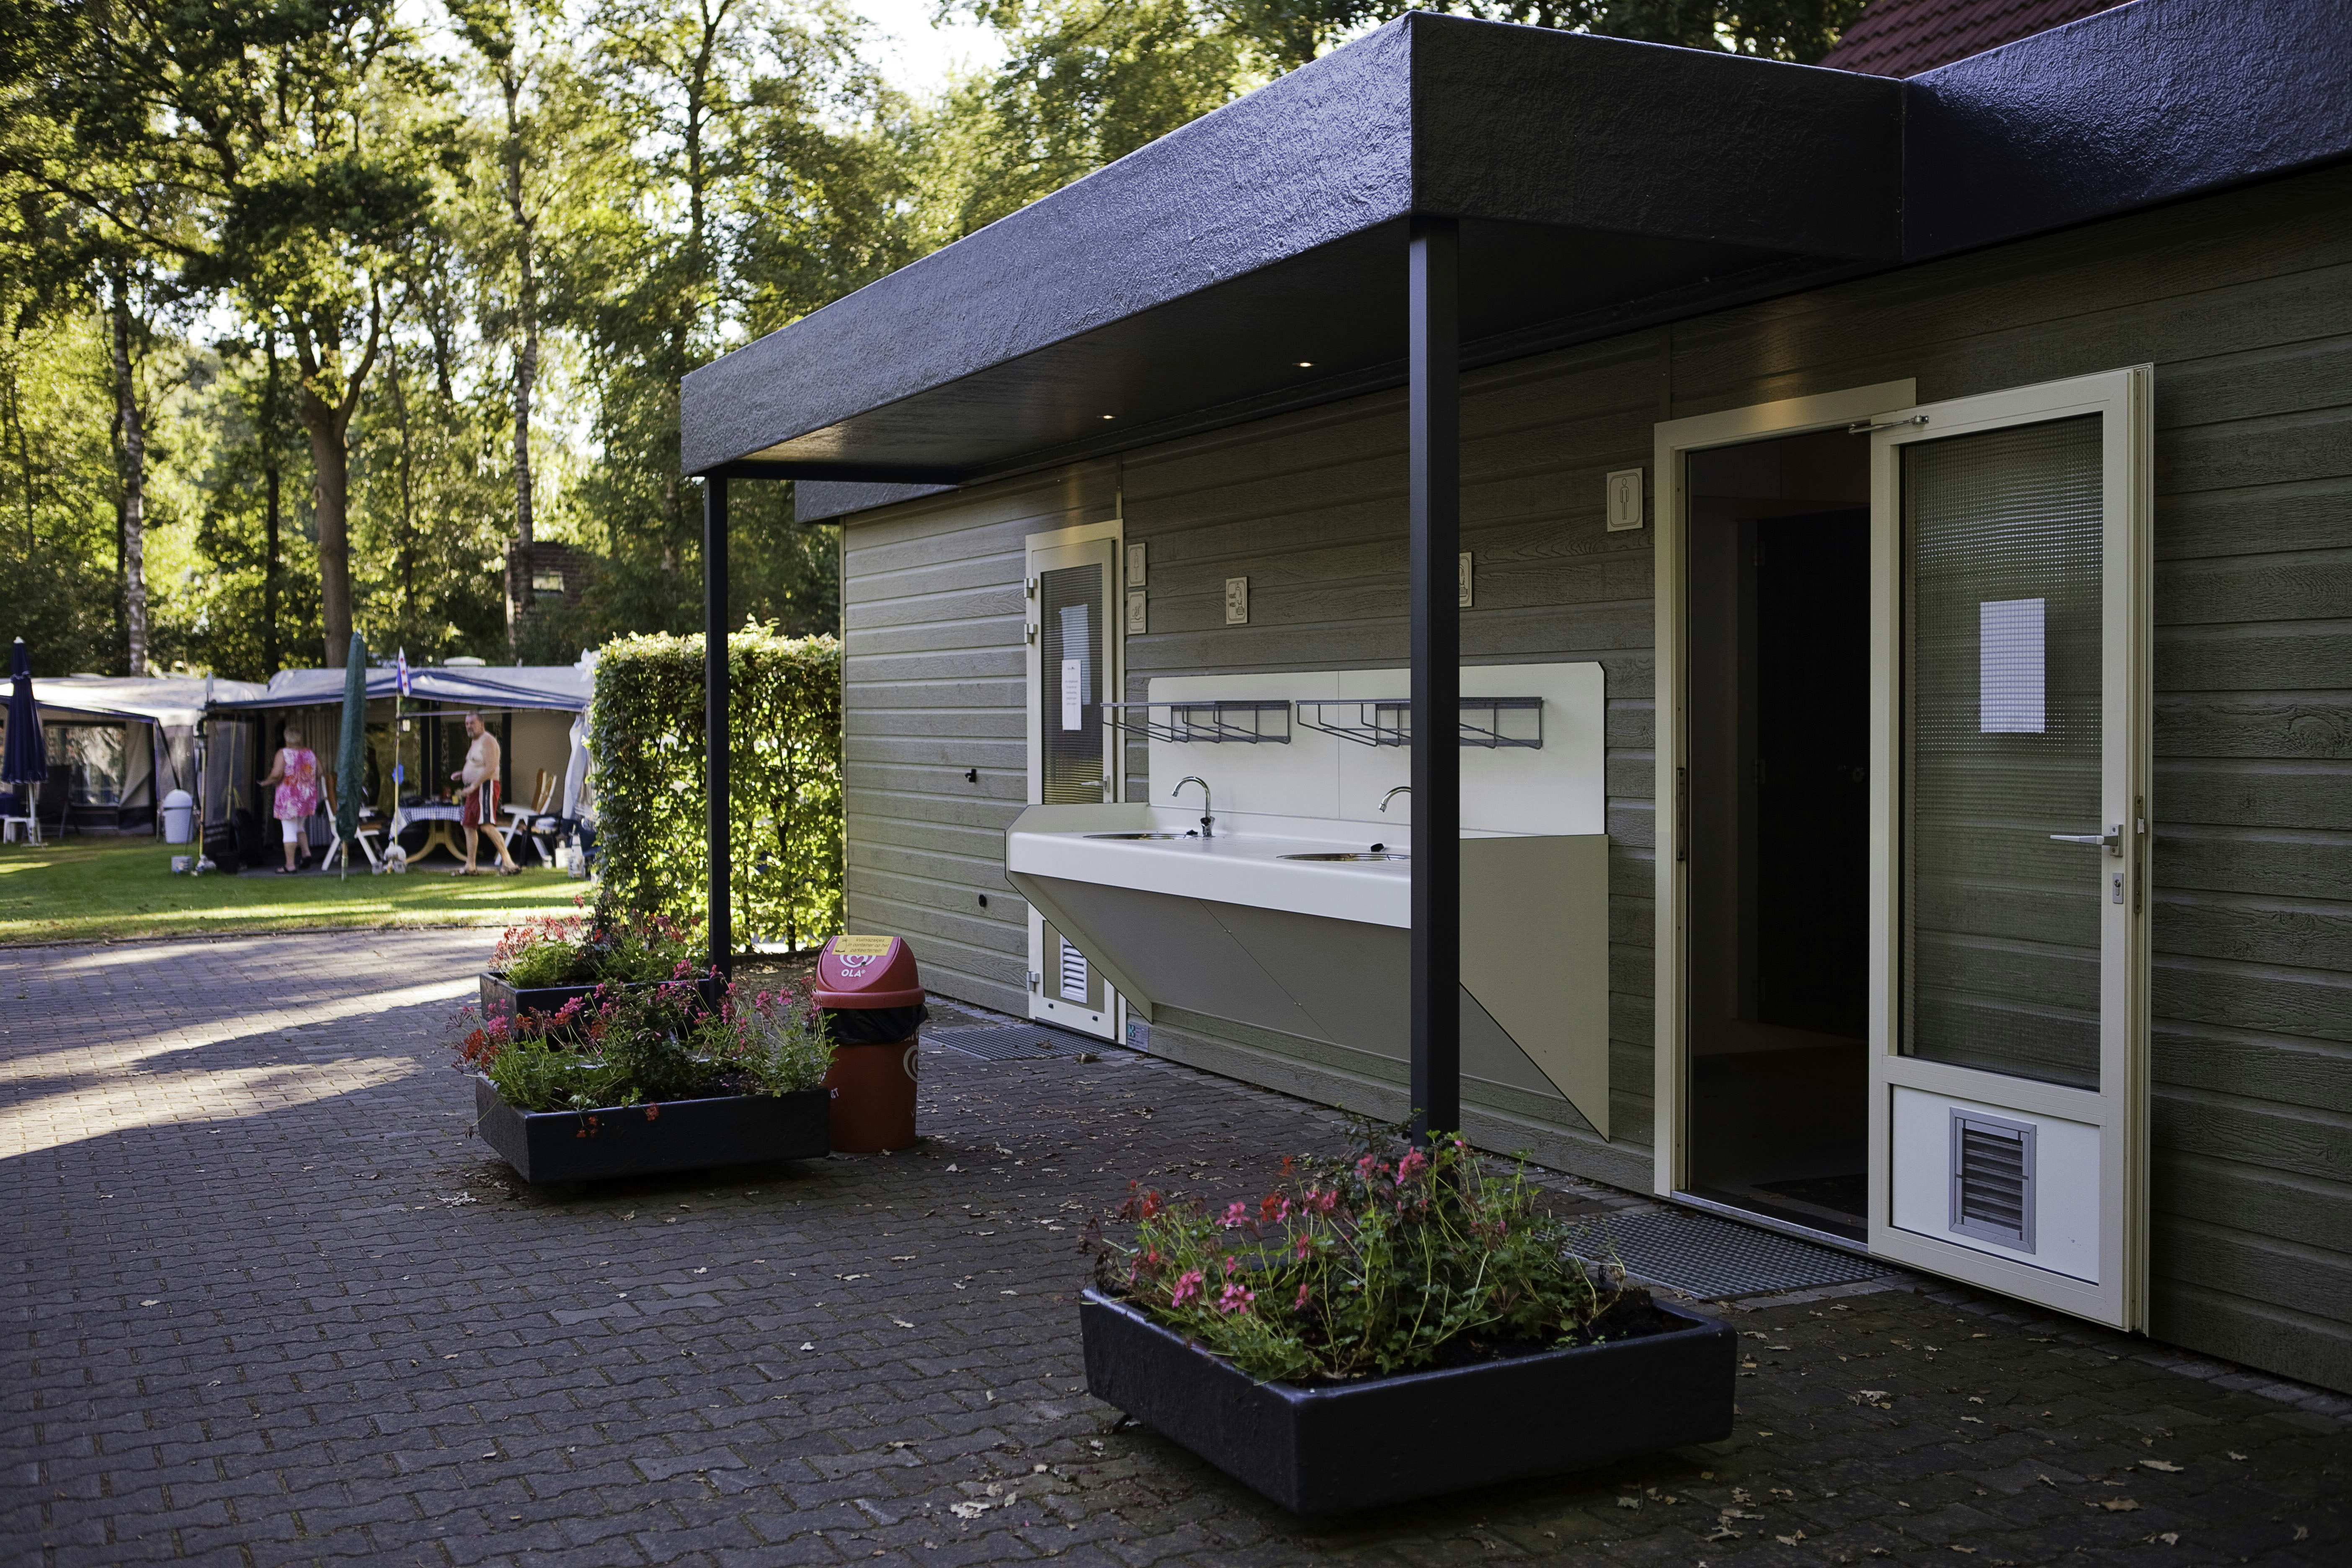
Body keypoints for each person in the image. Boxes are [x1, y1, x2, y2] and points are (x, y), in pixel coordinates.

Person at [449, 711, 517, 875]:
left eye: (472, 723)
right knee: (469, 826)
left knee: (486, 826)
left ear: (482, 723)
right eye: (467, 724)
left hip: (485, 787)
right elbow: (478, 765)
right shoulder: (475, 742)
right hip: (475, 789)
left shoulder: (488, 740)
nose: (469, 727)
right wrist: (463, 774)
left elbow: (491, 768)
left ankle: (509, 864)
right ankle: (470, 867)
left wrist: (473, 786)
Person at [257, 723, 320, 874]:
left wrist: (266, 782)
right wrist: (307, 782)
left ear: (286, 738)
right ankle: (306, 854)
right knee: (299, 827)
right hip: (306, 797)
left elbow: (277, 774)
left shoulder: (283, 753)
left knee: (289, 830)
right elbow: (320, 772)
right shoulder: (310, 753)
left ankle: (290, 866)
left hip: (289, 799)